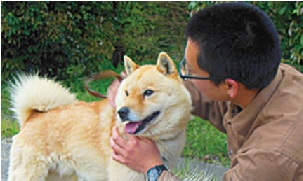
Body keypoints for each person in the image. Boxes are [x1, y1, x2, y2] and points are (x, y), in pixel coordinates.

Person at [109, 2, 303, 181]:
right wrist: (140, 87)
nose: (184, 77)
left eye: (190, 71)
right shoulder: (267, 76)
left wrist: (152, 167)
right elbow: (193, 92)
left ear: (229, 86)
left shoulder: (271, 158)